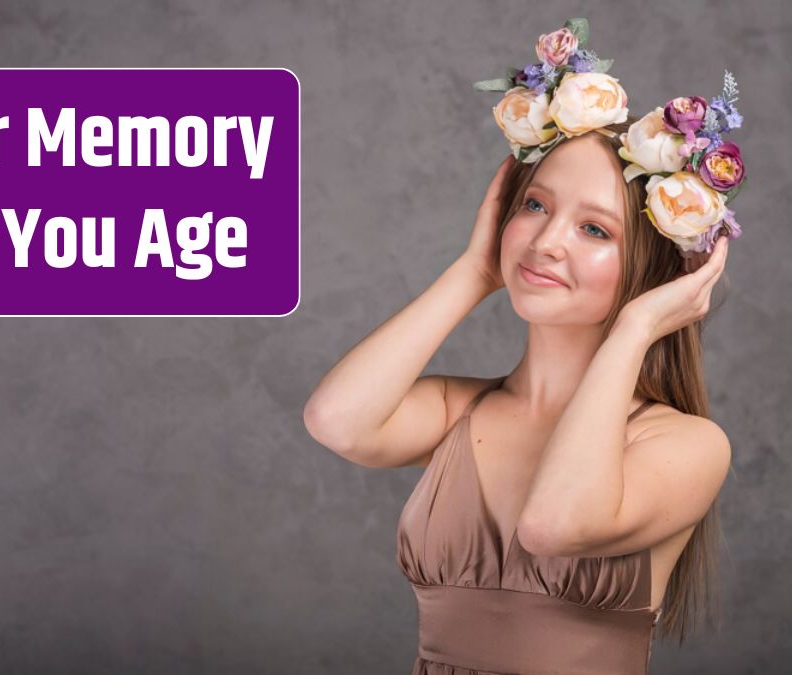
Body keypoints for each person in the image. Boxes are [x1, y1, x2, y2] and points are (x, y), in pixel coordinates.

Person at [303, 18, 747, 675]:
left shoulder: (688, 444)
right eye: (535, 206)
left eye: (594, 228)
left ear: (653, 272)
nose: (547, 243)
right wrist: (472, 271)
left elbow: (555, 524)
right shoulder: (461, 412)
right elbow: (335, 420)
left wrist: (633, 330)